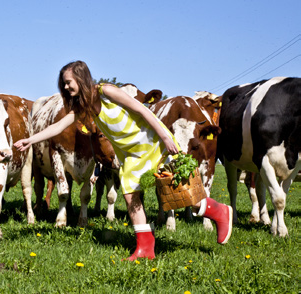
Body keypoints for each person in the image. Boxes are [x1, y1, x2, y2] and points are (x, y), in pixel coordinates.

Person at [14, 60, 232, 260]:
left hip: (151, 143)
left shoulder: (106, 91)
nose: (66, 87)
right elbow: (58, 126)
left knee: (178, 191)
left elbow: (141, 110)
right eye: (64, 84)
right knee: (130, 196)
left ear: (81, 78)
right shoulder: (83, 107)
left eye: (68, 82)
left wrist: (165, 136)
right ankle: (145, 247)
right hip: (130, 155)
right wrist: (30, 140)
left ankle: (220, 212)